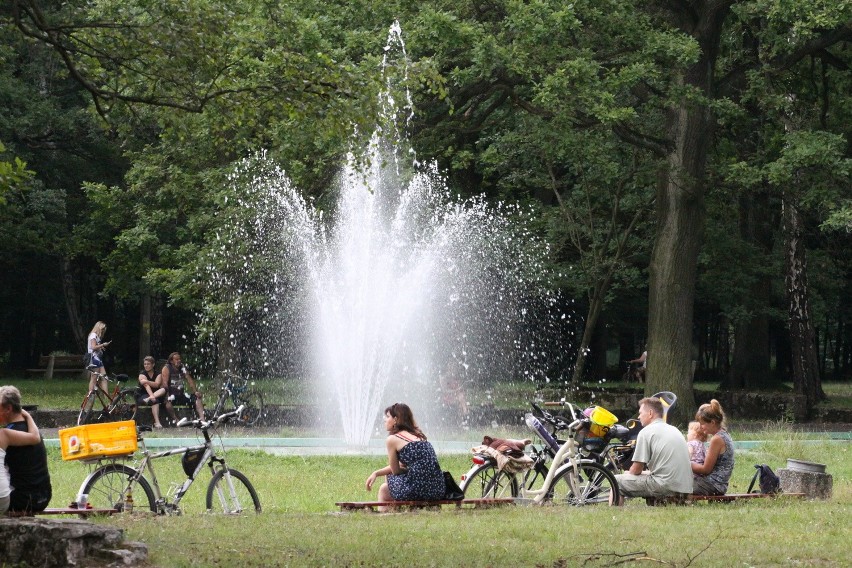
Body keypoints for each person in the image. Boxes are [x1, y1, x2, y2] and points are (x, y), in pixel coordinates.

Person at [365, 403, 446, 509]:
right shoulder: (419, 436)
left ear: (396, 419)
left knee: (385, 487)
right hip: (438, 489)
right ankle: (407, 509)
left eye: (388, 416)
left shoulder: (392, 439)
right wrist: (376, 473)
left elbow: (395, 471)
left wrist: (404, 470)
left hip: (418, 491)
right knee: (392, 481)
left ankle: (388, 515)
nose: (385, 420)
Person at [613, 397, 692, 504]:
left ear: (650, 413)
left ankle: (614, 516)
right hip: (686, 489)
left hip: (666, 487)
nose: (639, 416)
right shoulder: (674, 430)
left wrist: (628, 474)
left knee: (616, 481)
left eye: (640, 413)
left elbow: (636, 469)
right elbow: (665, 470)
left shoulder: (646, 432)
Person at [0, 385, 52, 513]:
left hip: (22, 500)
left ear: (8, 409)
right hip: (43, 497)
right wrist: (28, 416)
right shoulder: (32, 430)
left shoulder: (7, 434)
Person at [690, 399, 734, 496]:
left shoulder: (717, 439)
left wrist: (687, 463)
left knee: (676, 484)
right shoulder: (724, 434)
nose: (700, 427)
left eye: (703, 424)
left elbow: (706, 470)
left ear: (712, 422)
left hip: (713, 485)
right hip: (719, 484)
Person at [161, 352, 204, 422]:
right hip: (171, 395)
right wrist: (167, 395)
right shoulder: (167, 368)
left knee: (197, 398)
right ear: (171, 361)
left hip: (181, 395)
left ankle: (202, 419)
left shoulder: (182, 367)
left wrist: (195, 391)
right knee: (168, 403)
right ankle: (176, 420)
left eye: (180, 359)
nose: (179, 361)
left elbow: (189, 379)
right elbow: (165, 383)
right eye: (176, 359)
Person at [137, 356, 167, 428]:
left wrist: (147, 381)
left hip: (155, 394)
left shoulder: (158, 374)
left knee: (164, 389)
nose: (146, 366)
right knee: (154, 401)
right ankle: (157, 422)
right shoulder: (142, 374)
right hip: (143, 394)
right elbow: (146, 386)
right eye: (145, 364)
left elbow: (156, 385)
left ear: (153, 365)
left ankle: (150, 397)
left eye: (148, 364)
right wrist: (152, 396)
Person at [86, 321, 111, 392]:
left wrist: (100, 347)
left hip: (98, 359)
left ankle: (107, 398)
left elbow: (96, 346)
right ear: (98, 328)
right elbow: (93, 347)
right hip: (94, 359)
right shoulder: (93, 335)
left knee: (104, 378)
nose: (103, 331)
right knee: (94, 378)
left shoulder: (96, 336)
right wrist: (103, 345)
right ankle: (90, 396)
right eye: (102, 329)